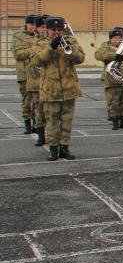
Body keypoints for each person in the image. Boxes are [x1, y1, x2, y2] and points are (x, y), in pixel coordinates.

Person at [33, 16, 86, 161]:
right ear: (47, 29)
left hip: (69, 88)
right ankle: (53, 149)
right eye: (53, 30)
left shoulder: (70, 41)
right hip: (50, 90)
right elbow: (36, 60)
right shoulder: (40, 43)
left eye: (59, 30)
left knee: (67, 121)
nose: (56, 32)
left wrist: (69, 49)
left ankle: (65, 147)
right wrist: (51, 48)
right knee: (52, 122)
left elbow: (81, 58)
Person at [94, 26, 123, 130]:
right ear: (110, 39)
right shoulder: (105, 46)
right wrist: (115, 56)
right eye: (115, 38)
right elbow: (99, 55)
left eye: (120, 38)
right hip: (111, 80)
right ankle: (115, 122)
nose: (118, 40)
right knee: (113, 102)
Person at [26, 15, 50, 146]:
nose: (45, 29)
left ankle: (54, 137)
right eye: (42, 27)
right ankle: (41, 136)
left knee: (52, 111)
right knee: (39, 110)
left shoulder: (57, 40)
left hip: (52, 82)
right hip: (36, 81)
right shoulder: (31, 41)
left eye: (47, 27)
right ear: (36, 28)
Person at [12, 14, 36, 134]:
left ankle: (38, 124)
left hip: (38, 74)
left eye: (35, 25)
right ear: (26, 24)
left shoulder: (40, 35)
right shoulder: (18, 36)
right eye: (32, 24)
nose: (34, 27)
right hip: (24, 73)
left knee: (38, 100)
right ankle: (28, 124)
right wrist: (33, 50)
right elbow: (17, 54)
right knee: (27, 100)